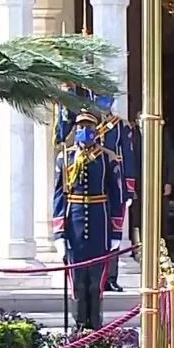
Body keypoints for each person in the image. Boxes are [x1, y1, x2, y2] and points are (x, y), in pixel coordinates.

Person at [52, 112, 124, 331]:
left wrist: (116, 231)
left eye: (89, 127)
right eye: (81, 127)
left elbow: (116, 196)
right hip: (74, 223)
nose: (85, 131)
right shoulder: (65, 158)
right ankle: (79, 327)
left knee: (96, 282)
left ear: (96, 130)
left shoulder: (107, 158)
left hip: (99, 222)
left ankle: (96, 327)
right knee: (77, 281)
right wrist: (59, 233)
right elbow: (59, 196)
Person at [95, 95, 137, 293]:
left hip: (115, 186)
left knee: (114, 233)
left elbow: (128, 157)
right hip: (94, 185)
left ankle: (111, 277)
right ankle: (94, 277)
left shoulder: (120, 126)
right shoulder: (87, 124)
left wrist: (128, 189)